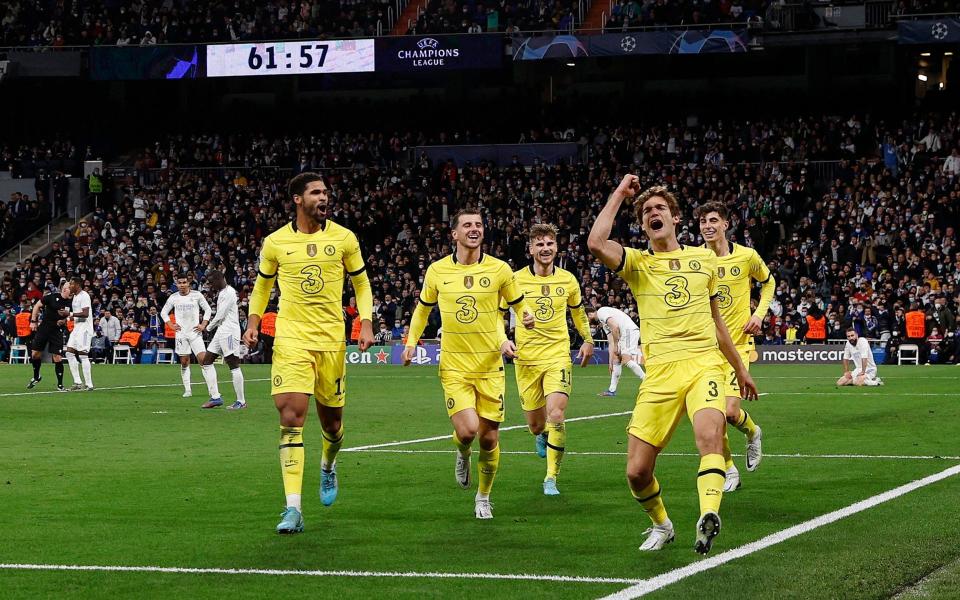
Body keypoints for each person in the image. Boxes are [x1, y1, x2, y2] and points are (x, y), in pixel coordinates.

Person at [587, 178, 758, 555]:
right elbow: (596, 243)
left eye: (660, 208)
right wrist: (618, 194)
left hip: (704, 365)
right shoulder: (638, 264)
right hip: (660, 373)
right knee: (636, 471)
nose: (653, 214)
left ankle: (708, 515)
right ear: (643, 224)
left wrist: (740, 369)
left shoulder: (704, 260)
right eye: (647, 212)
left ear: (676, 217)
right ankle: (662, 525)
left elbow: (718, 324)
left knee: (710, 438)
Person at [244, 172, 374, 535]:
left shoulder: (344, 238)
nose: (324, 198)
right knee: (291, 415)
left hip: (331, 341)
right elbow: (261, 288)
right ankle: (293, 508)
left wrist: (365, 322)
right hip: (290, 340)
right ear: (297, 199)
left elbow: (362, 284)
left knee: (332, 426)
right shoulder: (275, 243)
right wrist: (254, 322)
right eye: (316, 192)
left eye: (326, 192)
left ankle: (328, 466)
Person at [403, 207, 534, 520]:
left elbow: (516, 302)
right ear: (455, 234)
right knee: (468, 431)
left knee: (489, 438)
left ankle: (483, 497)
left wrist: (526, 314)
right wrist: (410, 343)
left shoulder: (500, 269)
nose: (474, 229)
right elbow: (422, 310)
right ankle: (462, 453)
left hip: (490, 366)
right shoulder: (436, 271)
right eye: (467, 225)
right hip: (455, 366)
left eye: (478, 225)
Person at [502, 223, 593, 496]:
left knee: (556, 414)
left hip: (557, 355)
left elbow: (578, 313)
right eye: (539, 244)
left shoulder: (568, 280)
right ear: (530, 249)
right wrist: (502, 340)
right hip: (526, 359)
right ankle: (541, 435)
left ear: (557, 247)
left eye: (550, 244)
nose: (545, 248)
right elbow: (497, 313)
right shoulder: (515, 279)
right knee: (536, 424)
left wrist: (587, 339)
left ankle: (551, 477)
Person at [697, 201, 775, 492]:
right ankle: (729, 470)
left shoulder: (747, 257)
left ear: (726, 224)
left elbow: (769, 284)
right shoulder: (697, 260)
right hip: (707, 349)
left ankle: (753, 432)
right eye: (703, 221)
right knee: (712, 417)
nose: (708, 226)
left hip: (739, 345)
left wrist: (758, 315)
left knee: (730, 412)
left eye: (713, 220)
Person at [161, 273, 219, 403]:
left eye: (184, 283)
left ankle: (212, 390)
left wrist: (204, 324)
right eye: (179, 283)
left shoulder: (197, 295)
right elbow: (163, 312)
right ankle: (187, 389)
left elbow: (208, 310)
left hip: (195, 333)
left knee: (204, 361)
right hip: (181, 334)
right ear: (176, 284)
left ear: (188, 283)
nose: (182, 285)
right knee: (184, 362)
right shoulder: (173, 297)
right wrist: (170, 324)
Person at [200, 270, 246, 410]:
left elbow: (220, 315)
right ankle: (215, 397)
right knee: (206, 361)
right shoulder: (222, 293)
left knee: (233, 363)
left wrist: (207, 328)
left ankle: (241, 401)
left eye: (212, 282)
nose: (211, 285)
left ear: (220, 279)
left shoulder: (230, 293)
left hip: (230, 332)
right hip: (221, 331)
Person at [586, 305, 645, 396]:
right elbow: (611, 342)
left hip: (629, 331)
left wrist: (617, 345)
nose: (588, 322)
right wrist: (610, 362)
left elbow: (615, 327)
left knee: (626, 360)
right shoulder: (604, 323)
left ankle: (647, 381)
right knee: (616, 360)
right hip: (624, 333)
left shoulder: (601, 312)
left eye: (587, 319)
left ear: (590, 314)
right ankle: (612, 391)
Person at [27, 282, 72, 391]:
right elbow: (37, 306)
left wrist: (64, 320)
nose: (72, 290)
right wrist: (33, 321)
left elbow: (72, 315)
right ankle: (37, 376)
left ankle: (60, 385)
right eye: (70, 288)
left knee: (57, 356)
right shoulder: (51, 297)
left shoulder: (72, 302)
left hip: (57, 330)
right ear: (64, 289)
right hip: (44, 328)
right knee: (35, 354)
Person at [64, 276, 95, 391]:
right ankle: (77, 382)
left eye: (71, 284)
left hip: (85, 329)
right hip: (77, 328)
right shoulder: (75, 297)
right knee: (69, 353)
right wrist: (66, 319)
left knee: (83, 355)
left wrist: (70, 314)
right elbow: (77, 314)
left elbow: (85, 313)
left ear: (77, 284)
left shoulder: (84, 296)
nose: (69, 286)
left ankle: (89, 384)